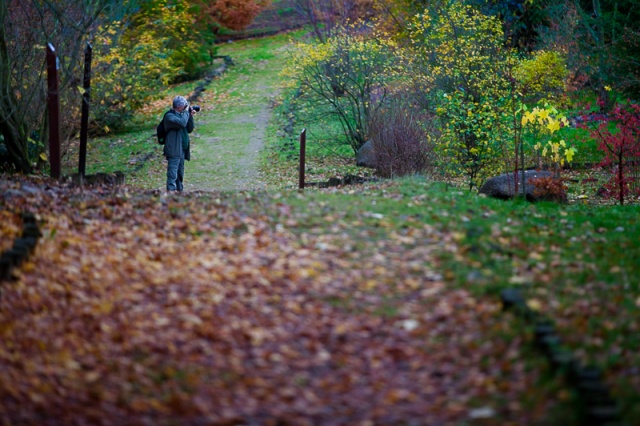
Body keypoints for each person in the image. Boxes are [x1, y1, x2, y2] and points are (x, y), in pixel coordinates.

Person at [163, 95, 196, 192]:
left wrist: (190, 117)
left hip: (182, 149)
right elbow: (181, 123)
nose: (186, 107)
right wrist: (186, 112)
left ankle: (179, 194)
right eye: (185, 106)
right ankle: (171, 194)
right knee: (172, 175)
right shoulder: (169, 116)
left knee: (180, 174)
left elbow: (189, 129)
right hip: (173, 149)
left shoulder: (183, 115)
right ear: (180, 106)